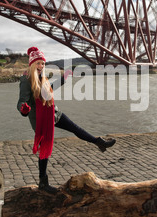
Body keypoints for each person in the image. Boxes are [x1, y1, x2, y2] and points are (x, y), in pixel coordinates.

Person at [17, 47, 116, 194]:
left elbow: (49, 89)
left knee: (75, 128)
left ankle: (99, 142)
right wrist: (24, 109)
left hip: (52, 112)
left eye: (42, 64)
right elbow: (21, 101)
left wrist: (64, 78)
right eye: (38, 63)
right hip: (40, 119)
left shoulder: (42, 78)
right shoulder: (26, 80)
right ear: (32, 64)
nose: (40, 66)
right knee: (45, 151)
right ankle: (43, 183)